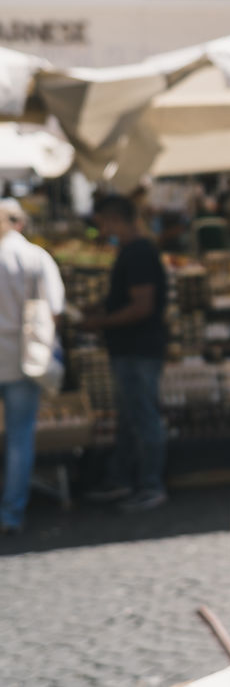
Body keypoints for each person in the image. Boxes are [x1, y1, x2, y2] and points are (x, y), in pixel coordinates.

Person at [81, 194, 170, 512]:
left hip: (138, 349)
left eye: (102, 224)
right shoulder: (133, 252)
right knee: (132, 417)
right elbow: (130, 301)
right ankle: (125, 480)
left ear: (114, 220)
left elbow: (141, 306)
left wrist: (101, 321)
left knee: (144, 418)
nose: (101, 231)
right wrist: (99, 310)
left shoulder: (138, 253)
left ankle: (150, 485)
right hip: (132, 349)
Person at [0, 199, 64, 534]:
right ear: (19, 223)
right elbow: (54, 308)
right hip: (23, 357)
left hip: (14, 354)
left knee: (18, 435)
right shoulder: (34, 257)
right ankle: (11, 512)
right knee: (19, 436)